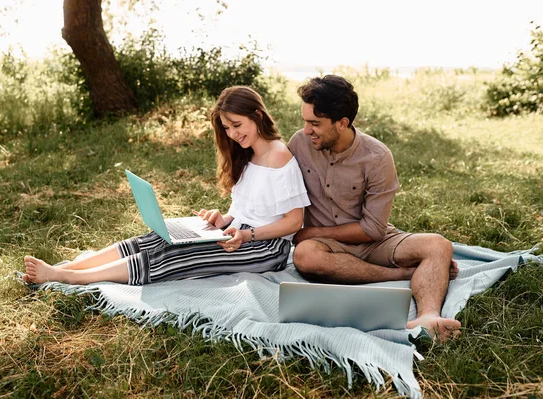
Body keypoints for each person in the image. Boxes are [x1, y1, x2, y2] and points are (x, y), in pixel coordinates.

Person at [23, 86, 310, 286]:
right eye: (227, 128)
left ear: (257, 116)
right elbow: (245, 207)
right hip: (235, 234)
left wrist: (247, 235)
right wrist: (224, 219)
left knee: (173, 255)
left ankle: (72, 278)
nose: (233, 134)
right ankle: (67, 267)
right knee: (159, 238)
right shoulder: (246, 154)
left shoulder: (279, 155)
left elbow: (294, 222)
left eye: (237, 125)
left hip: (265, 249)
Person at [288, 75, 461, 342]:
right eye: (305, 121)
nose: (307, 129)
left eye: (315, 123)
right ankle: (404, 274)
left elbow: (372, 229)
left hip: (374, 241)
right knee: (305, 256)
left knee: (438, 245)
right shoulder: (299, 143)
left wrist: (310, 232)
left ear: (342, 123)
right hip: (325, 246)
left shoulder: (378, 156)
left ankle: (429, 316)